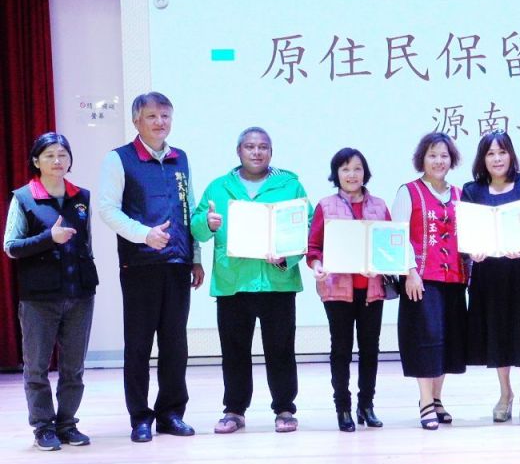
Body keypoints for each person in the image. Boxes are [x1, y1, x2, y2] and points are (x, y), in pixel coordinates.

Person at [97, 92, 204, 442]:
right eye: (152, 116)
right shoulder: (119, 159)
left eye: (165, 116)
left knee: (175, 344)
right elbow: (107, 209)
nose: (160, 122)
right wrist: (144, 234)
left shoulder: (180, 157)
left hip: (178, 263)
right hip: (140, 264)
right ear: (136, 121)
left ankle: (171, 413)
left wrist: (196, 256)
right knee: (139, 345)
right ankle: (140, 417)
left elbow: (188, 209)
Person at [191, 127, 310, 433]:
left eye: (263, 147)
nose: (257, 152)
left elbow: (308, 227)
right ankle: (234, 410)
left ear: (271, 151)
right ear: (239, 151)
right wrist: (207, 223)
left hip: (277, 282)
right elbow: (196, 229)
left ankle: (284, 409)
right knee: (234, 351)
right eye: (250, 147)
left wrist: (286, 257)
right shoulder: (219, 187)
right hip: (233, 282)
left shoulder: (290, 185)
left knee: (281, 349)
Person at [4, 133, 98, 450]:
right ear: (36, 161)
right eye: (49, 155)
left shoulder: (81, 196)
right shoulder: (24, 198)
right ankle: (43, 427)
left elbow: (86, 243)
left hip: (79, 294)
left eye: (62, 155)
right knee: (36, 368)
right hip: (39, 298)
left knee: (74, 368)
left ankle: (67, 424)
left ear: (70, 160)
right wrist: (49, 239)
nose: (57, 161)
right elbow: (11, 247)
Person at [463, 131, 520, 426]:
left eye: (502, 152)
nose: (497, 158)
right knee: (497, 334)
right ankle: (505, 393)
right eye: (490, 153)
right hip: (489, 275)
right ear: (483, 159)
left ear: (511, 155)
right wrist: (472, 251)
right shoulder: (472, 190)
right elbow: (466, 230)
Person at [307, 148, 391, 432]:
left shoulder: (379, 206)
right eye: (345, 169)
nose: (352, 174)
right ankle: (342, 407)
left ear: (365, 172)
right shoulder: (326, 205)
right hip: (336, 290)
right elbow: (314, 247)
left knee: (370, 349)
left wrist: (381, 264)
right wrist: (317, 264)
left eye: (357, 168)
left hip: (372, 289)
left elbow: (390, 246)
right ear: (336, 174)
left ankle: (366, 405)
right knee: (341, 350)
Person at [392, 132, 469, 430]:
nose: (439, 161)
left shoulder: (460, 194)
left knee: (447, 340)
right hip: (421, 280)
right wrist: (409, 272)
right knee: (425, 339)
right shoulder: (409, 191)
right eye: (432, 155)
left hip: (455, 279)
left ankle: (437, 399)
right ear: (422, 159)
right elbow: (397, 236)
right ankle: (425, 401)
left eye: (444, 156)